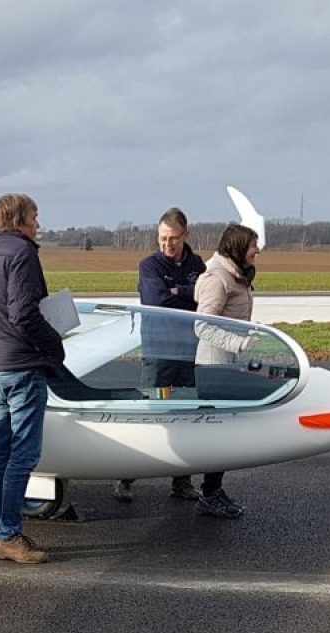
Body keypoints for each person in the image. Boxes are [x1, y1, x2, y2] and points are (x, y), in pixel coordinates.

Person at [0, 193, 64, 564]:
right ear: (19, 220)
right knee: (24, 453)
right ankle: (8, 534)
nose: (38, 225)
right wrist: (54, 344)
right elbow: (24, 313)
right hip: (23, 365)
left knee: (0, 450)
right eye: (35, 217)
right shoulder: (23, 253)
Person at [114, 207, 207, 503]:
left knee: (185, 415)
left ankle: (182, 482)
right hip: (158, 353)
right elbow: (158, 301)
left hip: (188, 354)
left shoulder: (197, 265)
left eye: (173, 239)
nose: (167, 245)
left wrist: (179, 289)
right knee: (150, 414)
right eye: (162, 239)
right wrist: (187, 295)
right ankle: (126, 477)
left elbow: (206, 299)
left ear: (185, 236)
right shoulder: (149, 265)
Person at [187, 223, 261, 518]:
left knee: (224, 432)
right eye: (253, 246)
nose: (258, 251)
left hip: (229, 365)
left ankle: (213, 489)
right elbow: (202, 325)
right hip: (215, 366)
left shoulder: (236, 275)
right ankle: (210, 493)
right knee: (218, 433)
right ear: (238, 248)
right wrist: (239, 343)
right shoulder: (217, 279)